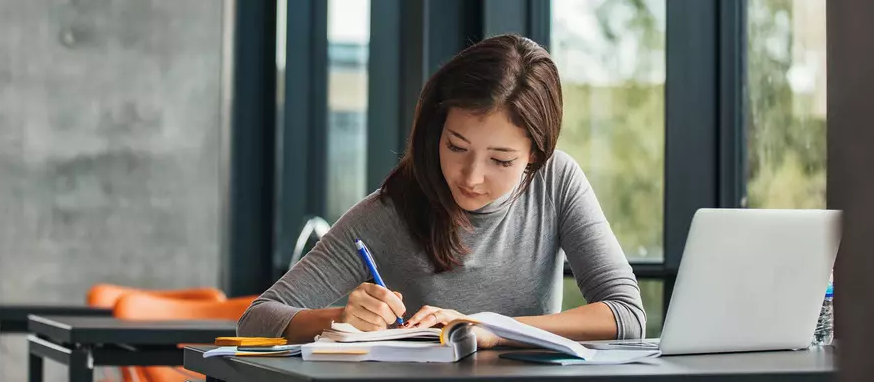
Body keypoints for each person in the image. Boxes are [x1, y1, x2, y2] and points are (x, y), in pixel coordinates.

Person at [237, 34, 644, 348]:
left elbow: (626, 314)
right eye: (456, 147)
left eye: (500, 161)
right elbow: (255, 319)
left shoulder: (555, 182)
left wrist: (491, 328)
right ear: (436, 130)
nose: (471, 176)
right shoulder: (391, 211)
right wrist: (339, 317)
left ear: (535, 155)